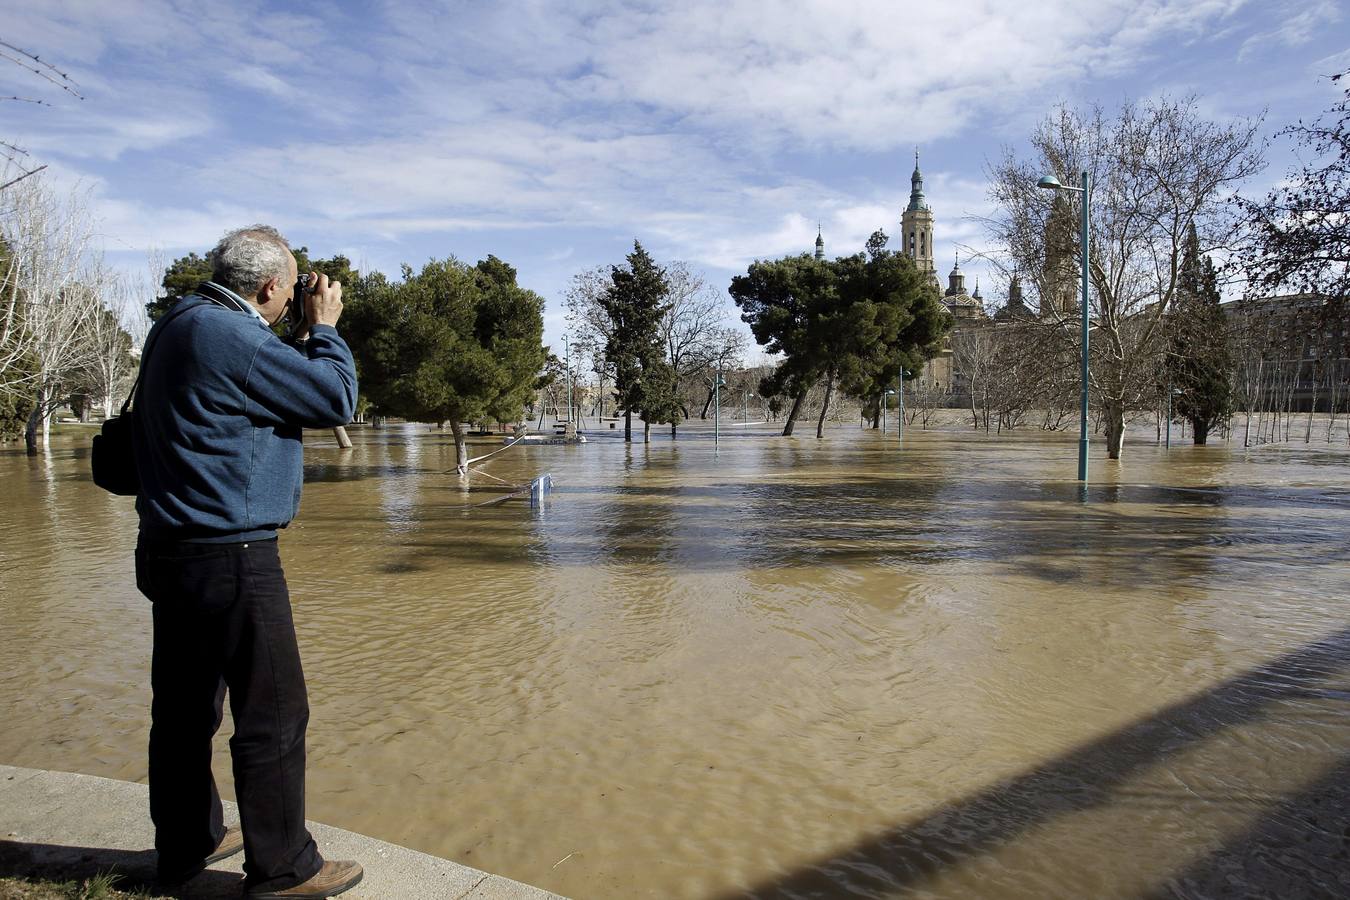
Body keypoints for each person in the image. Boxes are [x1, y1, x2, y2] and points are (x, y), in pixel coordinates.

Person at [132, 225, 362, 898]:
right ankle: (285, 868)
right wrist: (325, 328)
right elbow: (333, 399)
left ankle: (186, 844)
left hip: (171, 548)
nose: (298, 298)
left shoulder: (180, 323)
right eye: (292, 289)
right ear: (269, 287)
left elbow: (247, 394)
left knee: (182, 713)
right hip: (231, 555)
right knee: (274, 715)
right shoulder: (232, 335)